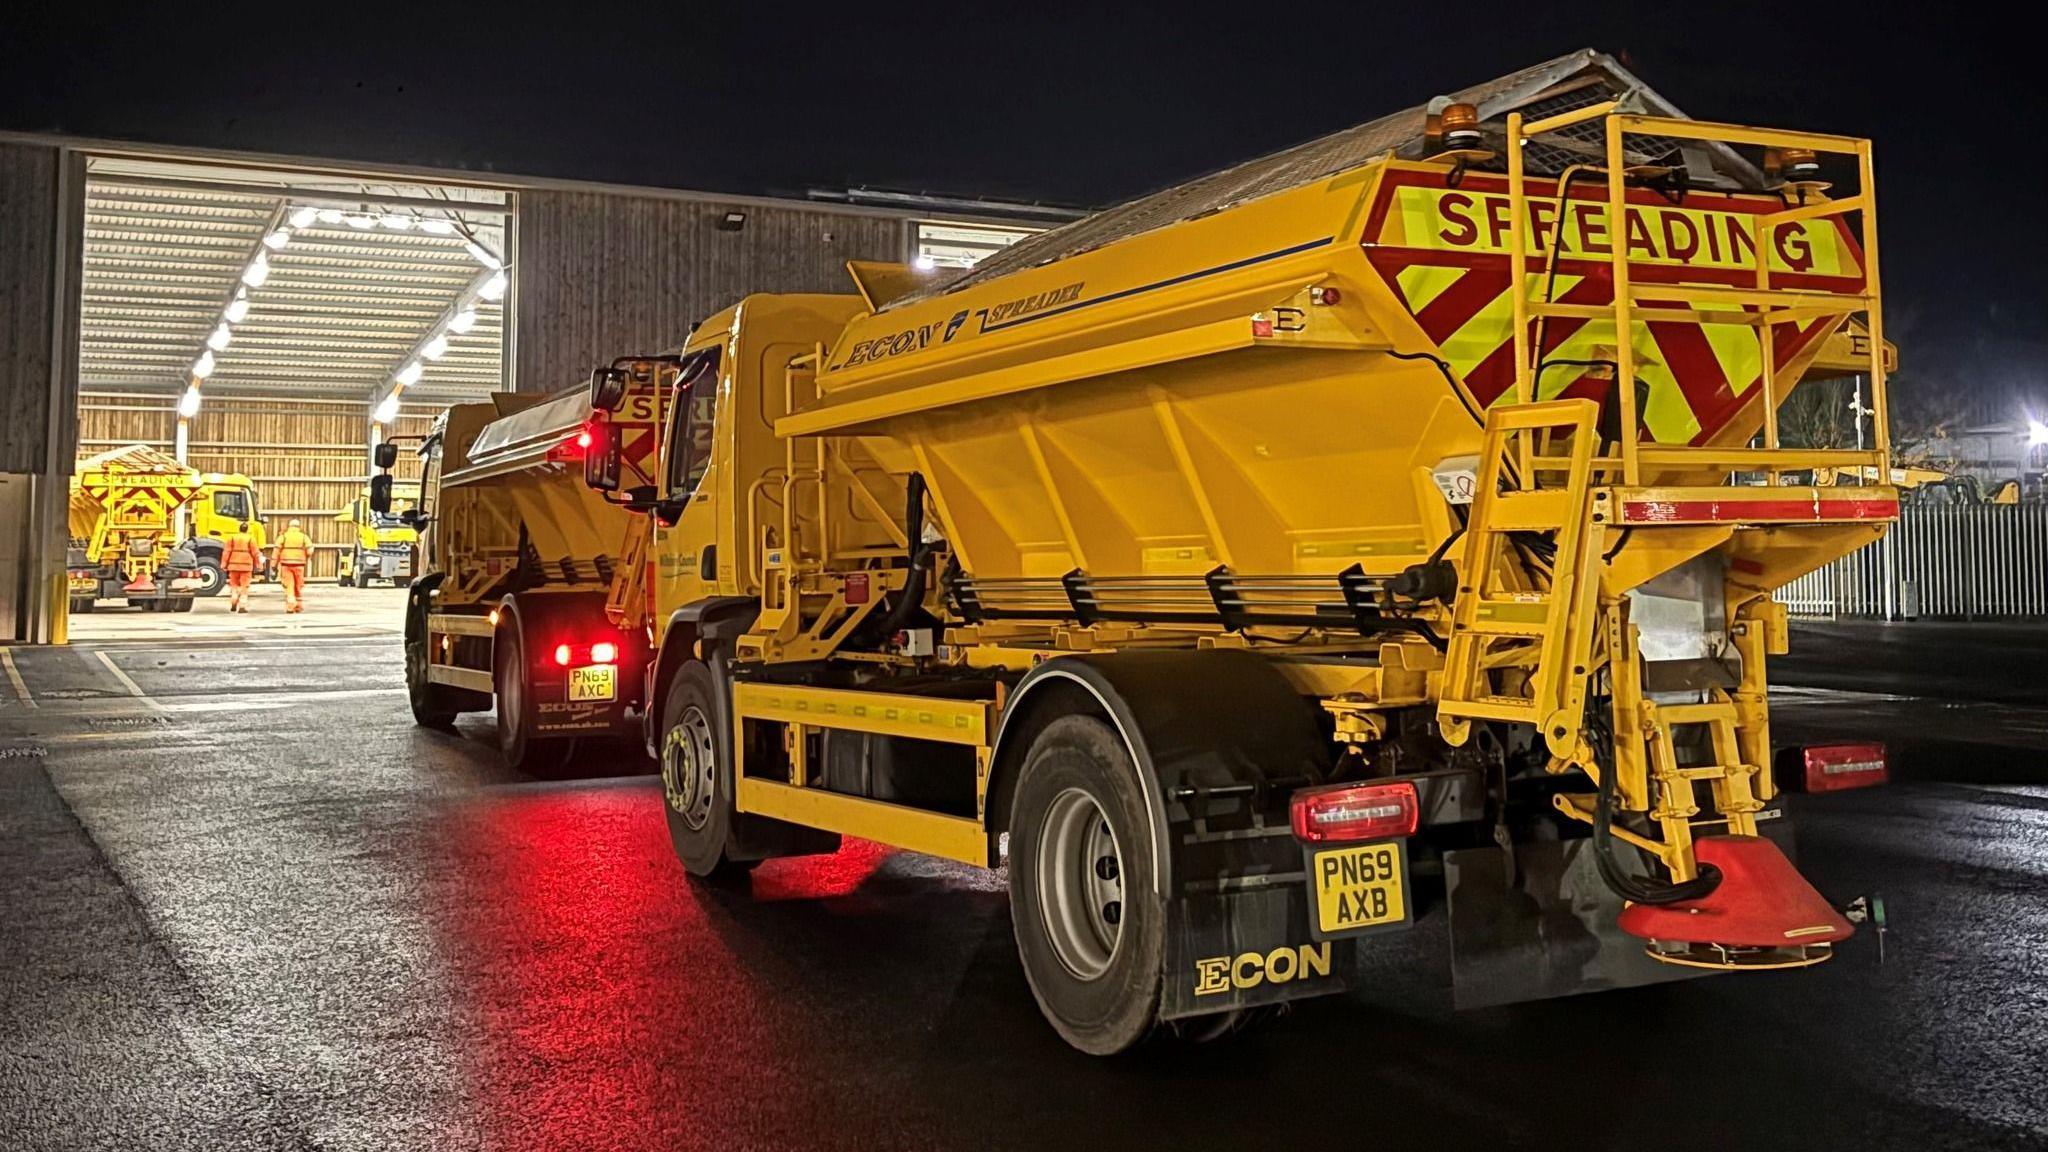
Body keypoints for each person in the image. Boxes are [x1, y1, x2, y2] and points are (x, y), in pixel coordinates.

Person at [273, 518, 313, 613]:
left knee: (289, 585)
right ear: (298, 527)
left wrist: (273, 565)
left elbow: (276, 551)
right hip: (299, 565)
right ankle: (298, 606)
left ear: (289, 526)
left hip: (286, 564)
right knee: (298, 585)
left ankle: (290, 606)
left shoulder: (283, 537)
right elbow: (310, 550)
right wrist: (306, 556)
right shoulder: (304, 537)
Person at [221, 521, 260, 613]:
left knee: (234, 585)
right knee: (244, 586)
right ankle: (242, 604)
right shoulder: (251, 538)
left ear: (239, 529)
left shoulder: (232, 538)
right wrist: (259, 564)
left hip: (233, 565)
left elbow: (226, 552)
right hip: (246, 566)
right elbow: (255, 553)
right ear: (247, 529)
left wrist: (224, 564)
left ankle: (234, 600)